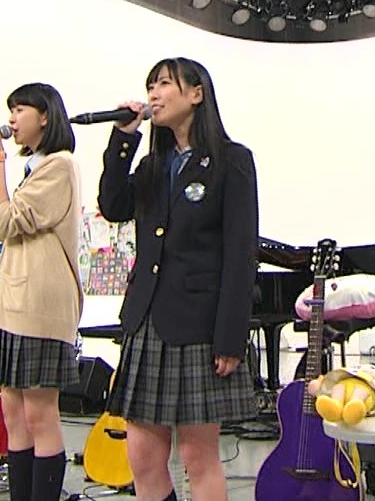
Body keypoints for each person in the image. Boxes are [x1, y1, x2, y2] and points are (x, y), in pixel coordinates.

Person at [97, 58, 259, 501]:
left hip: (197, 325)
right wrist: (123, 139)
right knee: (142, 456)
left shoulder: (232, 161)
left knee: (197, 455)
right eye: (150, 85)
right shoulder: (153, 164)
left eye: (164, 83)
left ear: (196, 94)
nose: (153, 94)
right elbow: (113, 205)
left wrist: (231, 337)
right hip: (147, 318)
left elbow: (241, 254)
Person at [0, 84, 82, 501]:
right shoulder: (37, 166)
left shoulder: (59, 165)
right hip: (12, 305)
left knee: (40, 415)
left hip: (39, 306)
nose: (10, 119)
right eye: (10, 110)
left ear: (45, 116)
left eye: (20, 109)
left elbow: (12, 221)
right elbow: (18, 229)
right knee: (12, 412)